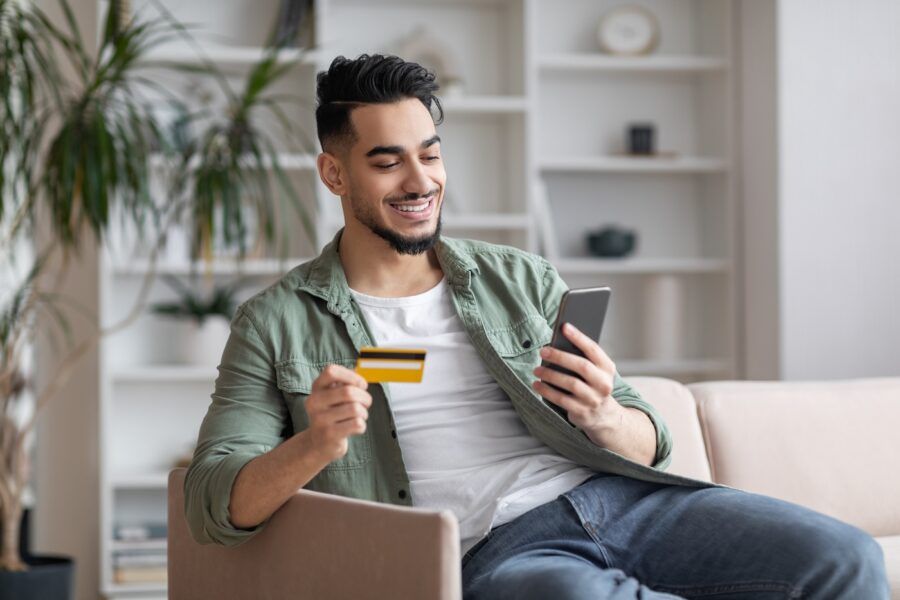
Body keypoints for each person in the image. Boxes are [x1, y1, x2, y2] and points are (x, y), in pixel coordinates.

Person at [184, 54, 888, 599]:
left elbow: (652, 440)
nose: (419, 180)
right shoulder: (275, 322)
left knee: (846, 557)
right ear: (334, 174)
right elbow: (215, 501)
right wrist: (316, 443)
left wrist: (606, 413)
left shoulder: (517, 278)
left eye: (429, 153)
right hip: (499, 550)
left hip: (620, 501)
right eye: (387, 160)